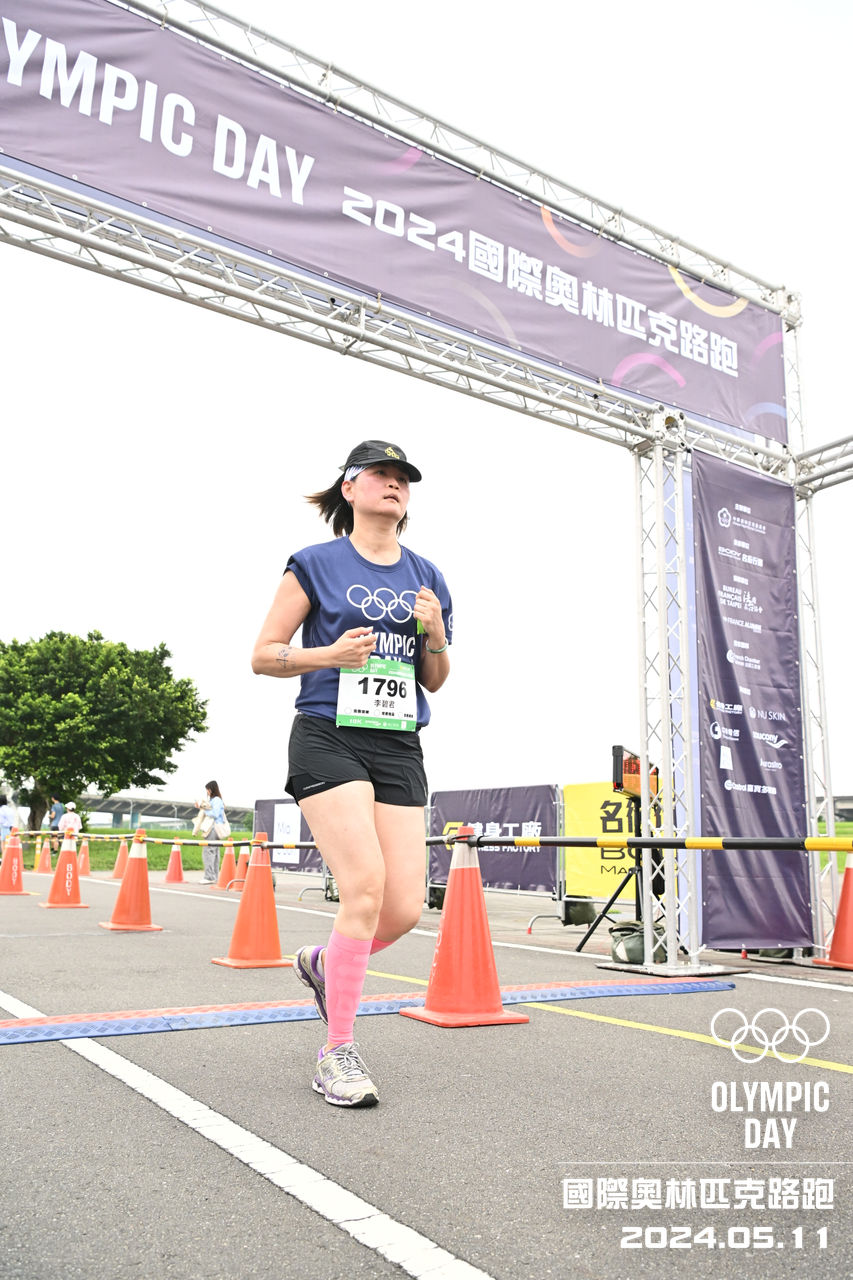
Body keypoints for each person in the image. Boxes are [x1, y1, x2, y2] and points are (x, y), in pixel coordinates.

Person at [251, 439, 452, 1108]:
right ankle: (336, 1052)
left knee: (403, 908)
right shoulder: (314, 563)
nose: (394, 485)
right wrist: (328, 655)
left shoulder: (426, 576)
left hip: (398, 742)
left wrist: (435, 634)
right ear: (350, 488)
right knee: (362, 886)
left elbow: (434, 678)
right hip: (327, 735)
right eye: (380, 475)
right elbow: (264, 655)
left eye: (402, 479)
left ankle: (320, 962)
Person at [195, 781, 229, 883]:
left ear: (211, 789)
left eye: (207, 789)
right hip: (214, 828)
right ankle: (214, 877)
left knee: (208, 852)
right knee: (214, 852)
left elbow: (215, 814)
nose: (207, 792)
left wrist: (203, 809)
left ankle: (209, 877)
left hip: (213, 828)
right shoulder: (216, 800)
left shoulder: (216, 800)